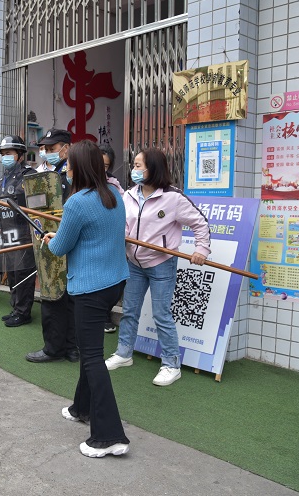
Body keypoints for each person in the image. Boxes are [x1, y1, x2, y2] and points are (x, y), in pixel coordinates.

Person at [43, 140, 131, 458]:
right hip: (114, 284)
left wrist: (51, 239)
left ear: (79, 167)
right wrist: (61, 237)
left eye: (69, 163)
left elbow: (60, 247)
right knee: (88, 347)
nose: (65, 167)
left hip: (91, 289)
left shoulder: (77, 202)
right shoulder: (115, 196)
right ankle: (82, 408)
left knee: (92, 357)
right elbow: (89, 237)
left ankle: (110, 436)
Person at [106, 147, 211, 386]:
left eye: (138, 165)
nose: (134, 170)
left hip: (162, 264)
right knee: (130, 311)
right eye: (134, 165)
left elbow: (200, 223)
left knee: (161, 315)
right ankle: (124, 354)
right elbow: (123, 225)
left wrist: (201, 250)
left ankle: (171, 364)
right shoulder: (129, 195)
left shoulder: (172, 198)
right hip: (134, 263)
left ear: (153, 168)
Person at [26, 129, 77, 361]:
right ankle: (53, 347)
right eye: (45, 148)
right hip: (49, 241)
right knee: (52, 294)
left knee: (72, 297)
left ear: (66, 147)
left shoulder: (75, 172)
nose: (47, 152)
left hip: (72, 242)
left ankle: (72, 346)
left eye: (52, 148)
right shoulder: (45, 173)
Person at [0, 135, 37, 327]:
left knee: (23, 272)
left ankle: (23, 312)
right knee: (12, 272)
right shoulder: (5, 175)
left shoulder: (29, 175)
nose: (5, 157)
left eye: (9, 153)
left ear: (20, 155)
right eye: (3, 154)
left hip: (24, 231)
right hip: (7, 230)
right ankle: (15, 307)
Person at [99, 143, 124, 334]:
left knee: (112, 282)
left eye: (106, 166)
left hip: (109, 241)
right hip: (88, 242)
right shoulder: (79, 182)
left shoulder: (115, 187)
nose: (101, 169)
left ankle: (105, 314)